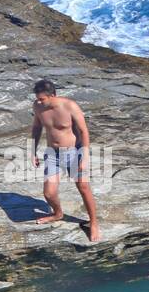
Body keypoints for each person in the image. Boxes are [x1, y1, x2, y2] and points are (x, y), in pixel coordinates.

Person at [30, 79, 100, 241]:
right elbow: (36, 127)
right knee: (49, 193)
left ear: (53, 95)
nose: (39, 101)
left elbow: (83, 131)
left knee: (83, 187)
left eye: (42, 99)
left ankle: (94, 223)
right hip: (52, 154)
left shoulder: (70, 106)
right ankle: (57, 213)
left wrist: (85, 155)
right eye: (37, 98)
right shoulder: (38, 106)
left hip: (74, 152)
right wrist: (33, 152)